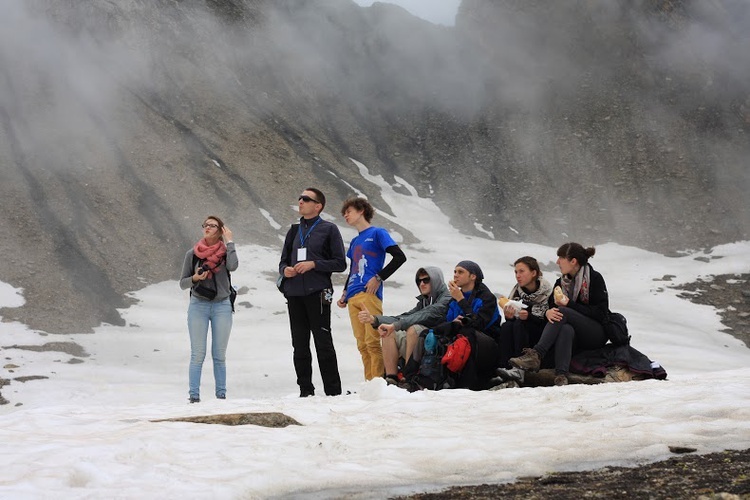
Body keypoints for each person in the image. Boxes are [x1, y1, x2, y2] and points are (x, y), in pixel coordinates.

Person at [279, 188, 347, 397]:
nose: (300, 201)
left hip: (318, 292)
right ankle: (305, 391)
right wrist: (286, 270)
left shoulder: (329, 229)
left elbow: (340, 263)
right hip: (295, 294)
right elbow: (282, 261)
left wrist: (313, 264)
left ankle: (333, 392)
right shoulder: (293, 230)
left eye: (306, 199)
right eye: (300, 198)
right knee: (299, 345)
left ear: (318, 206)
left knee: (323, 342)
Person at [510, 243, 609, 386]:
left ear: (573, 261)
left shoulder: (594, 278)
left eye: (561, 258)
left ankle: (536, 354)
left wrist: (570, 305)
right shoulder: (560, 282)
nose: (557, 262)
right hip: (574, 333)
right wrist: (547, 313)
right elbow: (552, 309)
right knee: (565, 328)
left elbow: (601, 313)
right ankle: (561, 375)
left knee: (563, 312)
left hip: (595, 332)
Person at [337, 197, 407, 381]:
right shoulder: (354, 241)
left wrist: (379, 277)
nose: (345, 215)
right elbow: (353, 267)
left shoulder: (378, 233)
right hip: (353, 295)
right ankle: (369, 384)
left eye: (348, 211)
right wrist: (345, 292)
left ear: (361, 211)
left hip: (369, 293)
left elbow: (399, 257)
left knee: (373, 342)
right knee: (362, 344)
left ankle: (377, 383)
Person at [357, 266, 451, 384]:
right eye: (419, 281)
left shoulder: (446, 298)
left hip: (440, 344)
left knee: (413, 329)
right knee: (389, 332)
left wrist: (396, 325)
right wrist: (375, 320)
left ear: (436, 280)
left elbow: (425, 314)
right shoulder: (424, 301)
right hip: (425, 342)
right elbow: (405, 317)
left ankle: (409, 378)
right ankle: (392, 378)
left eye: (426, 280)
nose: (422, 284)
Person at [179, 215, 238, 403]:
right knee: (198, 354)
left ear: (221, 230)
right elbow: (182, 283)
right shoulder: (193, 254)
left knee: (219, 355)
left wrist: (230, 242)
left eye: (213, 225)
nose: (208, 228)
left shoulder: (226, 251)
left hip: (222, 305)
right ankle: (194, 397)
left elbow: (233, 266)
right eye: (206, 225)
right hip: (198, 305)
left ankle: (221, 396)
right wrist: (196, 279)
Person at [495, 256, 553, 383]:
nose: (517, 275)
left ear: (533, 273)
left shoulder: (548, 292)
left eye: (521, 271)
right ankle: (505, 368)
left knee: (520, 324)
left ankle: (520, 369)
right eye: (516, 272)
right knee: (507, 326)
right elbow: (513, 319)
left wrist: (529, 317)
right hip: (521, 331)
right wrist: (509, 316)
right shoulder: (517, 292)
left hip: (543, 336)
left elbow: (549, 321)